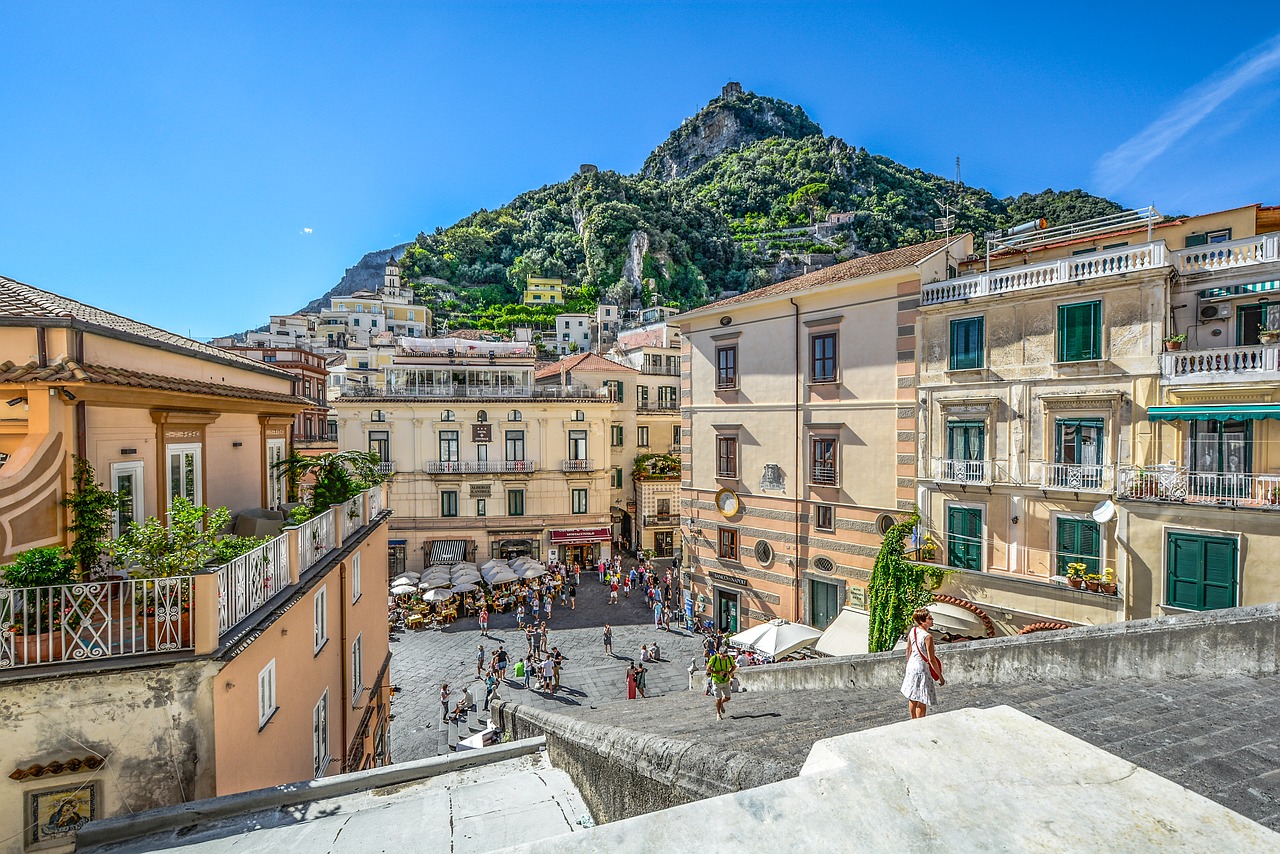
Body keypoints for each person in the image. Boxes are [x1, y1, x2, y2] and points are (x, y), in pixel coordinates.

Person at [902, 607, 944, 719]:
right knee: (921, 698)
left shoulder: (913, 630)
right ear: (922, 621)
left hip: (912, 664)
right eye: (930, 618)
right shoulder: (928, 637)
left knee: (913, 696)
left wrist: (909, 661)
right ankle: (920, 722)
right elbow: (931, 659)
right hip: (921, 668)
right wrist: (940, 676)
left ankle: (912, 719)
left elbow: (908, 648)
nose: (932, 620)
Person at [706, 644, 737, 720]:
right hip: (716, 681)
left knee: (728, 697)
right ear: (719, 653)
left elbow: (734, 666)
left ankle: (721, 704)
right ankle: (718, 713)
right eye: (723, 656)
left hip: (726, 680)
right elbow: (708, 669)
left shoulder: (729, 658)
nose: (725, 658)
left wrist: (729, 673)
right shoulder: (714, 659)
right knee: (718, 698)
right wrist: (717, 673)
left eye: (726, 656)